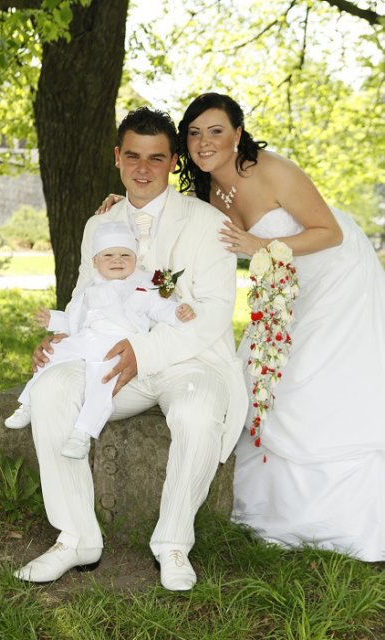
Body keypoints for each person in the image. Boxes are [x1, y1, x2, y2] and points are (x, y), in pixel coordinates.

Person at [12, 106, 247, 589]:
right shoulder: (97, 223)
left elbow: (213, 312)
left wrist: (146, 351)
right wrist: (62, 339)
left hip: (188, 359)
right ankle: (77, 537)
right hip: (109, 360)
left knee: (199, 412)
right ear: (117, 157)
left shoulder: (208, 223)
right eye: (133, 156)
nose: (143, 169)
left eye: (156, 158)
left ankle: (174, 543)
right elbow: (84, 296)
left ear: (173, 162)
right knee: (52, 388)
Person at [175, 92, 385, 562]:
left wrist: (260, 244)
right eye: (194, 133)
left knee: (312, 379)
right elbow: (173, 220)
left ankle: (346, 517)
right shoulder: (208, 192)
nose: (204, 141)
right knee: (258, 376)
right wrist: (123, 205)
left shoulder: (271, 171)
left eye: (215, 131)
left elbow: (328, 232)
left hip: (338, 276)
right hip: (284, 286)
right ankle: (270, 506)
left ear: (237, 135)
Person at [4, 221, 196, 460]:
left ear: (135, 259)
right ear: (95, 261)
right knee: (53, 352)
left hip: (117, 344)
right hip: (87, 338)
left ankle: (82, 434)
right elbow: (75, 319)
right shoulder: (90, 287)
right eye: (108, 255)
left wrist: (177, 313)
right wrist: (53, 319)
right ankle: (28, 405)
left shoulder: (145, 286)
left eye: (125, 255)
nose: (117, 260)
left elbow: (160, 308)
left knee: (102, 382)